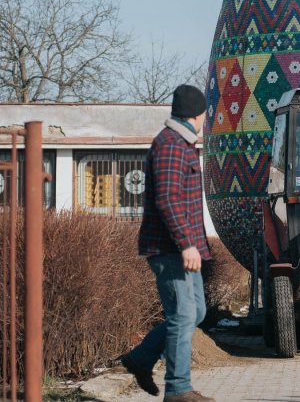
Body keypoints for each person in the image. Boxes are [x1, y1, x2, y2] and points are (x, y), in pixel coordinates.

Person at [120, 84, 215, 402]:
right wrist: (187, 244)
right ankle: (178, 389)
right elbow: (168, 200)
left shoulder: (181, 143)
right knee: (184, 315)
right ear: (198, 115)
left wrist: (197, 247)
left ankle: (141, 358)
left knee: (195, 311)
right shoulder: (172, 145)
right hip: (170, 248)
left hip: (185, 248)